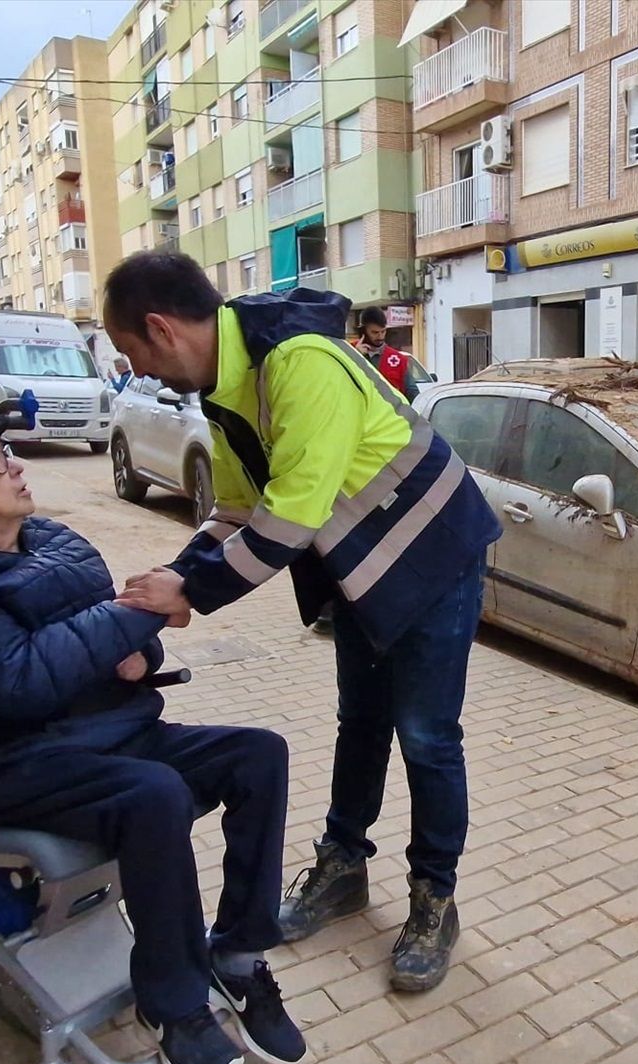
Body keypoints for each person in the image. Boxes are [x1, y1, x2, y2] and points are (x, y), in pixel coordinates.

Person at [101, 252, 501, 992]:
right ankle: (343, 866)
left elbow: (291, 518)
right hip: (363, 563)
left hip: (434, 551)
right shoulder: (226, 391)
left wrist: (191, 592)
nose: (138, 372)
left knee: (426, 736)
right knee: (361, 722)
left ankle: (434, 898)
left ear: (160, 328)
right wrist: (174, 578)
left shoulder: (299, 361)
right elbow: (237, 511)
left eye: (131, 351)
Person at [0, 418, 304, 1064]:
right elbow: (23, 676)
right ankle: (174, 1003)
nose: (15, 465)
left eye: (8, 451)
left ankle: (238, 957)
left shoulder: (52, 542)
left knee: (258, 755)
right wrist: (145, 613)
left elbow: (109, 630)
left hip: (113, 735)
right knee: (155, 793)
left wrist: (142, 652)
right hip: (11, 762)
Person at [353, 306, 420, 401]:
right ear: (363, 331)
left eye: (383, 331)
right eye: (375, 332)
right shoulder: (348, 351)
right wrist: (355, 356)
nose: (380, 337)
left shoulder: (398, 359)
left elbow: (413, 394)